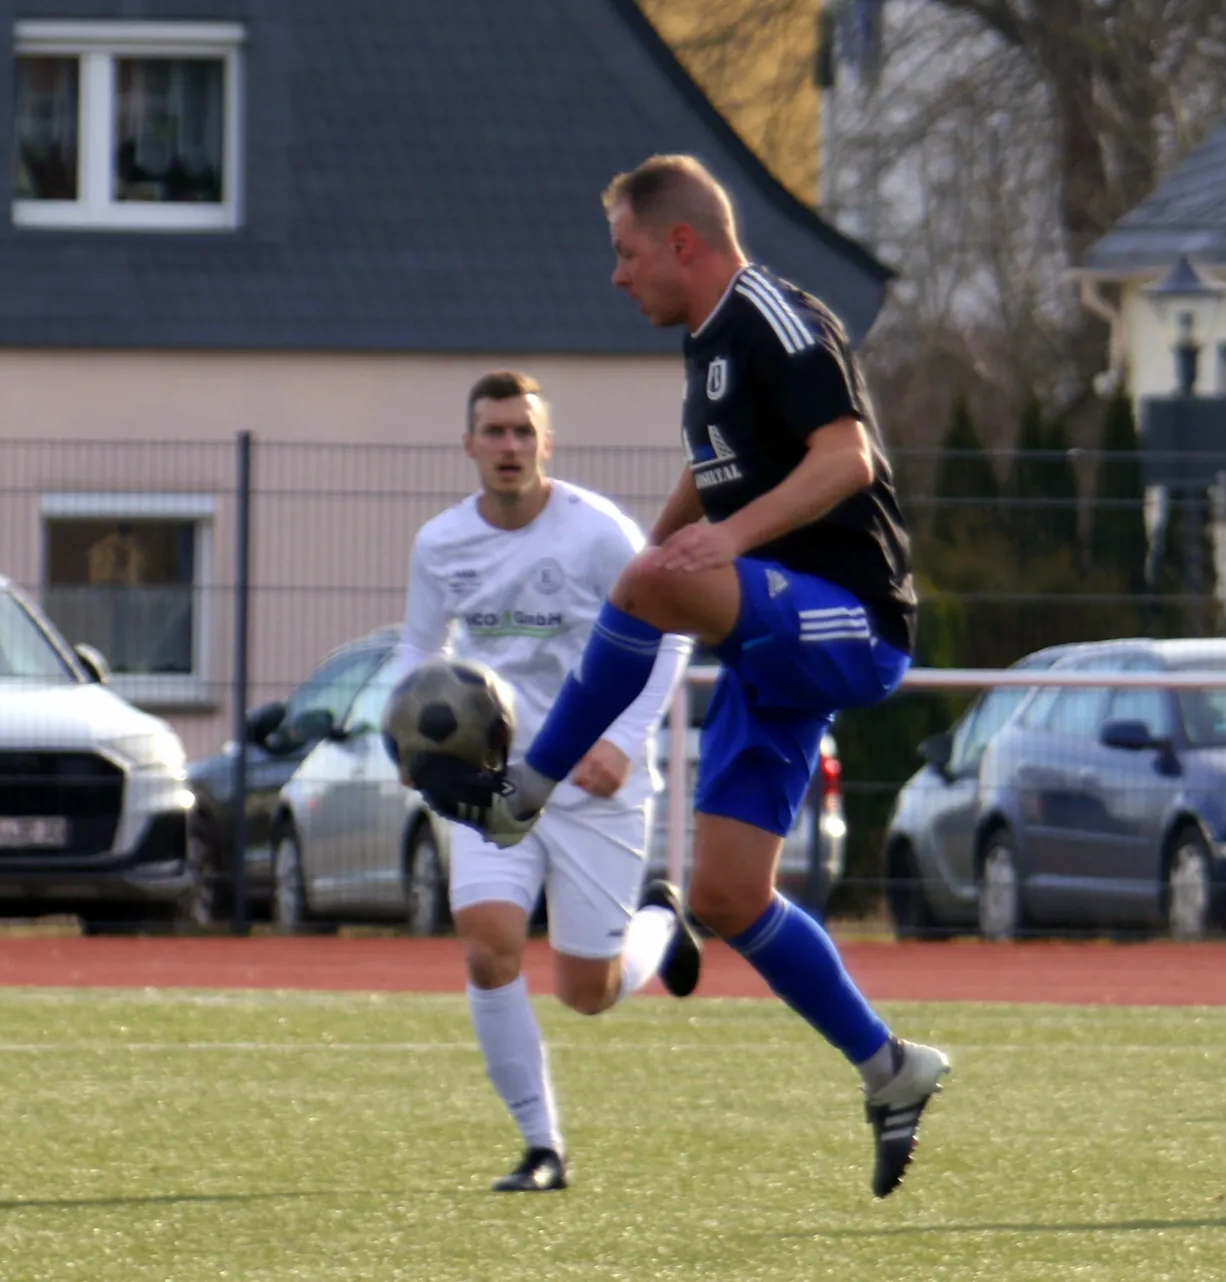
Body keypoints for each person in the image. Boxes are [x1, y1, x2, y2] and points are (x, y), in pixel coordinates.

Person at [413, 156, 951, 1199]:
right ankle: (889, 1067)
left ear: (681, 243)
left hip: (851, 621)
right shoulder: (707, 345)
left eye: (625, 253)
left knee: (653, 586)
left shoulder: (775, 315)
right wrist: (657, 558)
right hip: (773, 647)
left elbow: (847, 460)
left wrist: (712, 548)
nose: (617, 276)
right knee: (726, 896)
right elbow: (712, 478)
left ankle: (527, 788)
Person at [395, 369, 696, 1193]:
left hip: (596, 782)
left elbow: (671, 630)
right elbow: (418, 650)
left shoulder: (597, 533)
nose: (509, 445)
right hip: (496, 783)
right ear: (468, 444)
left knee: (587, 993)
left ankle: (660, 927)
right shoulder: (440, 544)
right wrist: (408, 737)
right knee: (488, 945)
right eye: (494, 431)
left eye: (523, 431)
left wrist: (625, 740)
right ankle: (542, 1148)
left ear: (546, 444)